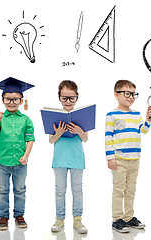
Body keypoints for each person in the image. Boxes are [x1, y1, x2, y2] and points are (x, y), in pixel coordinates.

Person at [105, 80, 151, 233]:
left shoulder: (136, 114)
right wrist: (110, 157)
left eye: (133, 94)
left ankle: (128, 217)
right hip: (119, 159)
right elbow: (108, 137)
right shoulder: (111, 115)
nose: (131, 97)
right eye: (127, 93)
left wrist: (148, 119)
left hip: (135, 159)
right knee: (119, 190)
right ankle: (117, 219)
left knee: (131, 190)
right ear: (116, 95)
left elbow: (144, 130)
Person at [0, 77, 35, 231]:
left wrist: (26, 156)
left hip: (20, 163)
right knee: (2, 190)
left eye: (15, 99)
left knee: (20, 190)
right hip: (2, 162)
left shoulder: (26, 120)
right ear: (3, 100)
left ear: (21, 101)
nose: (11, 102)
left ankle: (19, 215)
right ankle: (3, 217)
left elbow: (30, 140)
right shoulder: (0, 118)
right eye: (8, 99)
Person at [49, 80, 88, 234]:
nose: (68, 101)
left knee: (77, 190)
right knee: (60, 190)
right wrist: (58, 133)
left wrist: (79, 130)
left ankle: (77, 219)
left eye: (71, 98)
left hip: (77, 158)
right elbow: (51, 140)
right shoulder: (54, 116)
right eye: (64, 98)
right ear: (59, 98)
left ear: (77, 97)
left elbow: (85, 139)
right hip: (59, 159)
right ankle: (59, 219)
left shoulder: (82, 116)